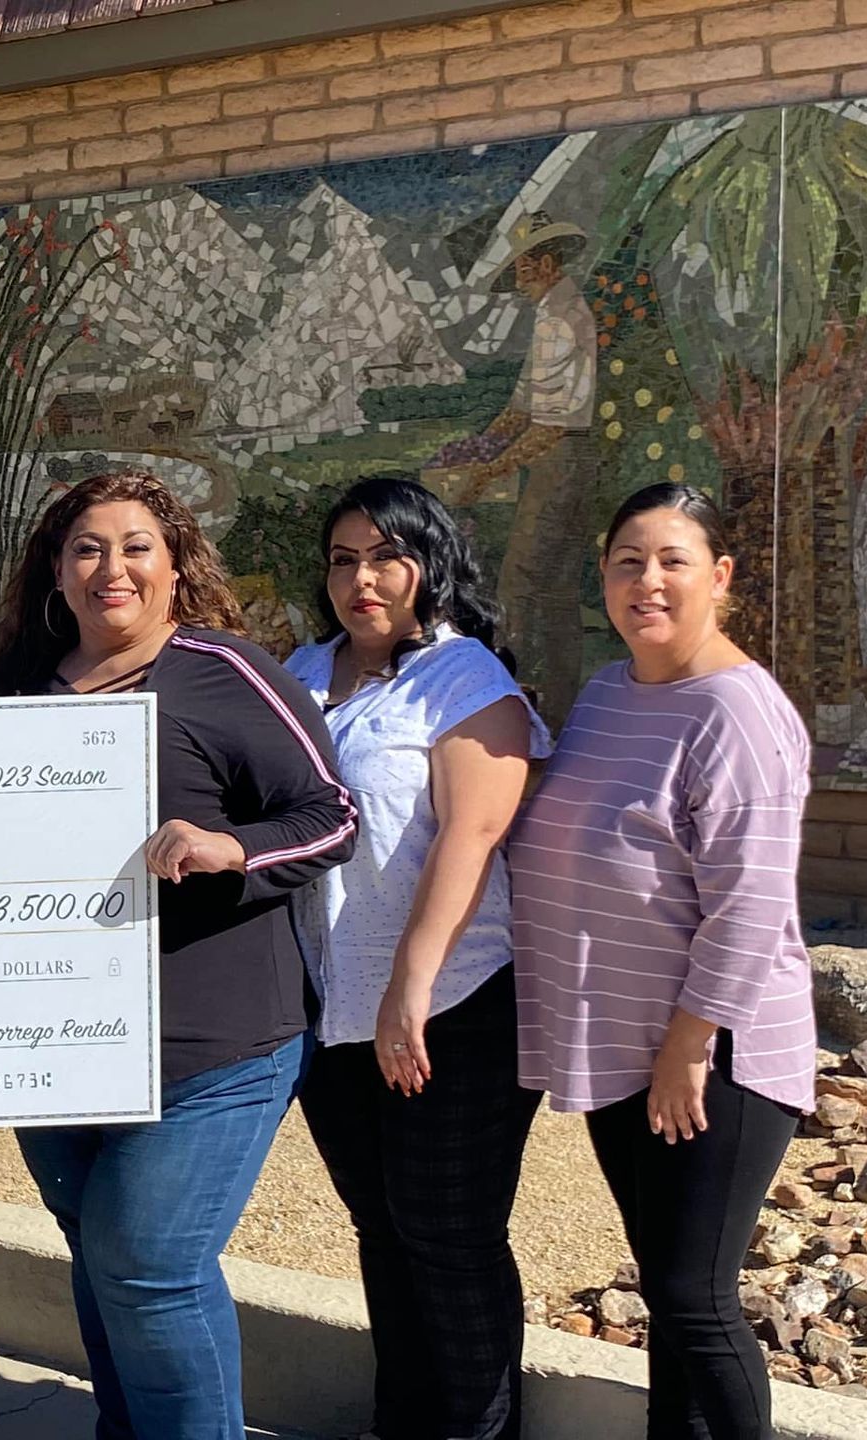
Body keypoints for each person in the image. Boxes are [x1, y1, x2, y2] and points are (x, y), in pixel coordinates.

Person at [0, 469, 356, 1440]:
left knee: (149, 1262)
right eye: (87, 548)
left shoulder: (223, 671)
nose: (112, 568)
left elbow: (332, 816)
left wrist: (233, 849)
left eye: (136, 546)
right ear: (56, 572)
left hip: (213, 1048)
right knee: (101, 1255)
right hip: (59, 1045)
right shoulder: (18, 686)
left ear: (176, 567)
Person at [512, 484, 815, 1440]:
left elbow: (750, 903)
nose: (648, 581)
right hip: (625, 1041)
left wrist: (688, 1046)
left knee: (695, 1296)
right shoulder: (609, 691)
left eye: (672, 561)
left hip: (713, 1052)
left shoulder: (737, 711)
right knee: (668, 1289)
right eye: (627, 562)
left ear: (718, 577)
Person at [284, 476, 548, 1440]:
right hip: (335, 1008)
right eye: (343, 560)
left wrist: (411, 989)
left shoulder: (463, 678)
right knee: (382, 1230)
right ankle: (403, 1422)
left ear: (430, 564)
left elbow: (470, 837)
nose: (362, 579)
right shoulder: (303, 673)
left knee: (450, 1237)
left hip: (453, 1006)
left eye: (386, 557)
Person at [433, 210, 598, 732]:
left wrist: (488, 470)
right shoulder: (555, 312)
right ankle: (560, 709)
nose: (520, 278)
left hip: (561, 460)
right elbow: (524, 403)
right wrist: (482, 444)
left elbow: (550, 425)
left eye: (524, 266)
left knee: (519, 582)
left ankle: (509, 706)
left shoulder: (559, 319)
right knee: (557, 591)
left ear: (545, 264)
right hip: (567, 457)